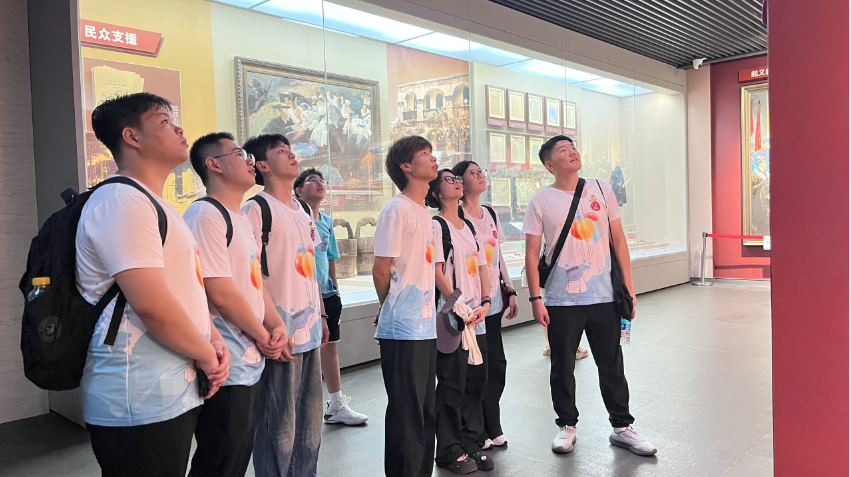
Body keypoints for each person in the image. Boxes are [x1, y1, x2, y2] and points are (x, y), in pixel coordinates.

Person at [78, 92, 229, 477]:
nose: (178, 129)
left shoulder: (157, 204)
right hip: (137, 398)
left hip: (170, 389)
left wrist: (213, 339)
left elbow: (185, 288)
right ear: (131, 136)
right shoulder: (120, 200)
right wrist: (208, 353)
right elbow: (151, 305)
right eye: (164, 121)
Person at [522, 135, 657, 457]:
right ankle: (567, 425)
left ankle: (622, 426)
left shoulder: (601, 189)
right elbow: (531, 253)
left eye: (573, 148)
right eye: (563, 150)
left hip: (605, 296)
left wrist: (628, 288)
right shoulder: (541, 201)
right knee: (562, 366)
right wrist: (535, 298)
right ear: (549, 164)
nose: (572, 152)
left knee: (611, 364)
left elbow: (619, 241)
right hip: (560, 299)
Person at [183, 132, 294, 477]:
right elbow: (219, 292)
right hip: (225, 362)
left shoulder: (240, 218)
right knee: (221, 459)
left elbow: (254, 284)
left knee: (237, 454)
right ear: (213, 165)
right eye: (238, 154)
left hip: (249, 359)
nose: (249, 162)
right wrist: (263, 334)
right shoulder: (205, 214)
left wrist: (276, 325)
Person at [243, 134, 330, 477]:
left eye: (290, 150)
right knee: (278, 422)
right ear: (262, 165)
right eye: (281, 152)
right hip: (280, 333)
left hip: (309, 328)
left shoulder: (304, 210)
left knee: (310, 421)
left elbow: (310, 270)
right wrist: (265, 328)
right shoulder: (256, 209)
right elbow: (249, 276)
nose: (291, 155)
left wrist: (322, 314)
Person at [372, 135, 439, 477]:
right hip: (402, 327)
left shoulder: (423, 212)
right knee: (406, 411)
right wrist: (391, 308)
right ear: (406, 166)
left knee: (426, 409)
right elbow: (381, 268)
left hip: (424, 324)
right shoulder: (396, 209)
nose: (433, 158)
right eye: (424, 154)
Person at [428, 169, 493, 474]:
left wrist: (486, 302)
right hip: (454, 320)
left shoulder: (468, 226)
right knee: (452, 384)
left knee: (476, 381)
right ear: (437, 193)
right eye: (448, 180)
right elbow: (436, 270)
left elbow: (482, 266)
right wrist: (458, 304)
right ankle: (449, 449)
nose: (456, 182)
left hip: (476, 318)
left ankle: (471, 441)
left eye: (457, 178)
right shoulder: (436, 225)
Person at [452, 161, 519, 452]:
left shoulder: (490, 213)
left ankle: (492, 423)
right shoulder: (456, 216)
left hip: (493, 302)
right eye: (473, 173)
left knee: (496, 366)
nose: (480, 176)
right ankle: (475, 430)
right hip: (470, 307)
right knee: (475, 370)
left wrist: (510, 288)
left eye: (481, 172)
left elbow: (497, 255)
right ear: (460, 182)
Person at [293, 168, 369, 426]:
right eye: (312, 181)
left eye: (322, 181)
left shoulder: (326, 221)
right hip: (303, 295)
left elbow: (330, 258)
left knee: (330, 347)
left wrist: (334, 289)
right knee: (305, 351)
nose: (320, 184)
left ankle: (336, 404)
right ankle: (301, 408)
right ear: (298, 190)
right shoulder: (296, 220)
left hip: (327, 294)